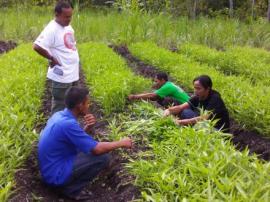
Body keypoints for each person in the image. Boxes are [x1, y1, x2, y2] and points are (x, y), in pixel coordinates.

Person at [38, 87, 132, 200]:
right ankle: (71, 190)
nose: (89, 106)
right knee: (103, 157)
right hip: (55, 175)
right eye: (88, 103)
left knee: (87, 150)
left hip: (50, 168)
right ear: (80, 105)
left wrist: (87, 128)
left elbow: (74, 140)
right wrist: (121, 142)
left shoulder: (59, 115)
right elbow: (97, 149)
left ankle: (68, 185)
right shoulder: (68, 124)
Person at [33, 1, 79, 115]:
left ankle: (67, 129)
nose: (69, 19)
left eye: (71, 16)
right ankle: (56, 130)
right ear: (57, 14)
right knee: (60, 107)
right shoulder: (52, 29)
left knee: (73, 105)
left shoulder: (68, 27)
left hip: (72, 74)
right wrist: (51, 58)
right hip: (62, 76)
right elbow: (37, 46)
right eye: (66, 17)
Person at [164, 75, 230, 133]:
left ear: (207, 89)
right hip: (204, 123)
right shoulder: (197, 96)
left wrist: (180, 122)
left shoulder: (215, 98)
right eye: (194, 88)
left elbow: (204, 118)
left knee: (198, 126)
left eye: (198, 88)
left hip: (217, 128)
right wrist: (168, 110)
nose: (195, 91)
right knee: (185, 112)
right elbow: (181, 107)